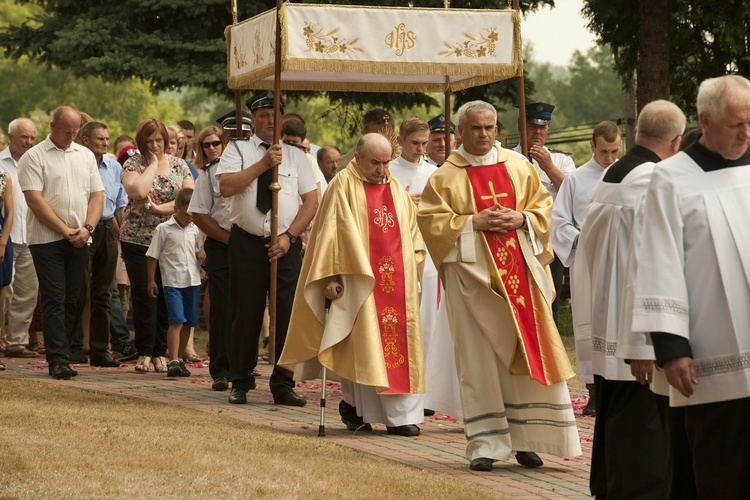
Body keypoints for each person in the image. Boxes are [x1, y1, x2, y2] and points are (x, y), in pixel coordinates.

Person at [418, 100, 581, 471]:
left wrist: (521, 217)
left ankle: (530, 439)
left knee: (527, 351)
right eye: (476, 128)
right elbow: (430, 223)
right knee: (479, 362)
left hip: (519, 280)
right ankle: (487, 444)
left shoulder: (519, 167)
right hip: (472, 283)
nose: (484, 135)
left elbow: (544, 211)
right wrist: (472, 222)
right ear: (460, 131)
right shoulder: (445, 176)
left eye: (490, 128)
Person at [630, 75, 750, 498]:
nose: (746, 133)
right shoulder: (670, 178)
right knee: (719, 465)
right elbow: (658, 260)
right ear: (705, 120)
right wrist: (671, 346)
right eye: (737, 124)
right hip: (710, 354)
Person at [575, 101, 686, 499]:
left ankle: (608, 487)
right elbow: (648, 261)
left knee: (616, 416)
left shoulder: (613, 175)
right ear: (676, 142)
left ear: (636, 133)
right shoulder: (652, 181)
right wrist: (643, 338)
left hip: (609, 315)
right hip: (636, 325)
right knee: (641, 431)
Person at [280, 133, 426, 435]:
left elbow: (413, 235)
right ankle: (356, 407)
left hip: (397, 286)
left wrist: (414, 272)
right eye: (375, 162)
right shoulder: (342, 186)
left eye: (386, 162)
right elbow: (328, 236)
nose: (381, 169)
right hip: (359, 282)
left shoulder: (396, 189)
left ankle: (401, 417)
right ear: (358, 158)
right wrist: (330, 277)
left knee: (396, 346)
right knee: (362, 346)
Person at [216, 90, 318, 406]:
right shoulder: (237, 149)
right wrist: (263, 164)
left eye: (275, 116)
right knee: (245, 314)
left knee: (286, 315)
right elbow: (227, 186)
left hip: (285, 245)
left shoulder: (297, 156)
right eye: (263, 115)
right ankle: (241, 381)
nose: (269, 121)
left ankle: (283, 383)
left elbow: (311, 201)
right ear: (253, 120)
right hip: (247, 243)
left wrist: (289, 236)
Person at [18, 106, 104, 380]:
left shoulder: (85, 155)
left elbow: (96, 196)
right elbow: (35, 200)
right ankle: (58, 359)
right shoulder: (34, 156)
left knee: (76, 297)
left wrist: (87, 229)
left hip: (80, 237)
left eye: (75, 130)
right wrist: (65, 229)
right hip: (46, 239)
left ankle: (63, 350)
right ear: (53, 126)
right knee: (55, 297)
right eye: (67, 131)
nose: (72, 135)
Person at [551, 120, 621, 415]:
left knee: (616, 321)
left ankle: (615, 388)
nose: (609, 158)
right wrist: (580, 238)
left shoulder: (626, 176)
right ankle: (593, 392)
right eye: (604, 151)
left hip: (619, 259)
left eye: (615, 151)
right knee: (589, 321)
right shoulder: (575, 179)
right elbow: (559, 220)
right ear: (592, 146)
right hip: (586, 259)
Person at [120, 118, 195, 374]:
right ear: (142, 142)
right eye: (149, 141)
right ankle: (144, 351)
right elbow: (138, 193)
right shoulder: (133, 164)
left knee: (167, 295)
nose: (155, 145)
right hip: (138, 239)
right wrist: (152, 164)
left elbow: (187, 202)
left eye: (159, 140)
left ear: (166, 139)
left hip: (171, 242)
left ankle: (160, 352)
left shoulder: (180, 165)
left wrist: (157, 209)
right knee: (144, 295)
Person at [514, 102, 576, 325]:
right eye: (532, 126)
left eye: (543, 127)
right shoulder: (508, 158)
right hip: (519, 238)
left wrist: (549, 167)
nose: (537, 132)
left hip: (551, 240)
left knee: (552, 294)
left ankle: (553, 348)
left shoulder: (561, 160)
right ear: (521, 126)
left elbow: (574, 195)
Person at [72, 121, 127, 367]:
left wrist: (120, 235)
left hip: (106, 230)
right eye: (99, 139)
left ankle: (100, 350)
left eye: (107, 138)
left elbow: (119, 206)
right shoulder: (75, 165)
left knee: (104, 293)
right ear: (85, 140)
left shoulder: (114, 167)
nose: (105, 142)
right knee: (78, 290)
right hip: (81, 229)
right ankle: (72, 347)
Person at [187, 125, 232, 390]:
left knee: (247, 309)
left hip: (250, 244)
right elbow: (199, 214)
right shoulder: (208, 174)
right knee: (222, 308)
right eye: (206, 144)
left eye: (216, 143)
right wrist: (227, 241)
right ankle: (221, 369)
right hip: (221, 242)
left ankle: (243, 365)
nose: (212, 148)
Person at [147, 188, 202, 378]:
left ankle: (180, 359)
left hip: (192, 280)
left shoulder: (195, 230)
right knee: (177, 320)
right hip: (172, 281)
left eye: (192, 214)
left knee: (189, 322)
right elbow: (152, 256)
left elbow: (198, 252)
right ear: (176, 208)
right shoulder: (163, 229)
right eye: (186, 214)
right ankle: (173, 361)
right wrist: (151, 280)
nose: (189, 218)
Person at [0, 118, 40, 359]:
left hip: (32, 236)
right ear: (11, 136)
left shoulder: (36, 163)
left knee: (28, 291)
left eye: (33, 138)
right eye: (24, 137)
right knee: (5, 291)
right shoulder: (0, 165)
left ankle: (17, 342)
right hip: (7, 237)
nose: (29, 142)